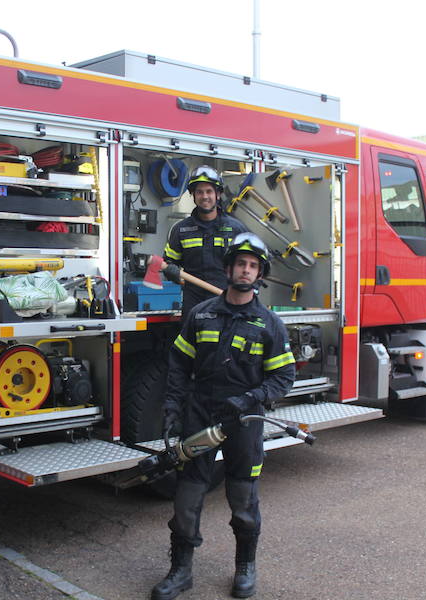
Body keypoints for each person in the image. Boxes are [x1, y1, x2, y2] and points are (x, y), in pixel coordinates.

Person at [152, 233, 295, 599]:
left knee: (243, 499)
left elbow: (283, 377)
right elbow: (179, 367)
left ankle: (245, 567)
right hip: (200, 413)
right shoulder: (201, 316)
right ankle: (180, 571)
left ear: (259, 274)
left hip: (245, 420)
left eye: (252, 266)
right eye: (240, 264)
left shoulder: (269, 324)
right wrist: (172, 409)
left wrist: (251, 398)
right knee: (187, 497)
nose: (245, 271)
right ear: (228, 268)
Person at [163, 165, 249, 320]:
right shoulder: (181, 230)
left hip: (227, 303)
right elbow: (169, 262)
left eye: (209, 191)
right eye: (199, 192)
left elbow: (249, 267)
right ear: (193, 195)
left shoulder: (236, 229)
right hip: (194, 305)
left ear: (218, 194)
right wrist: (172, 272)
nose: (205, 196)